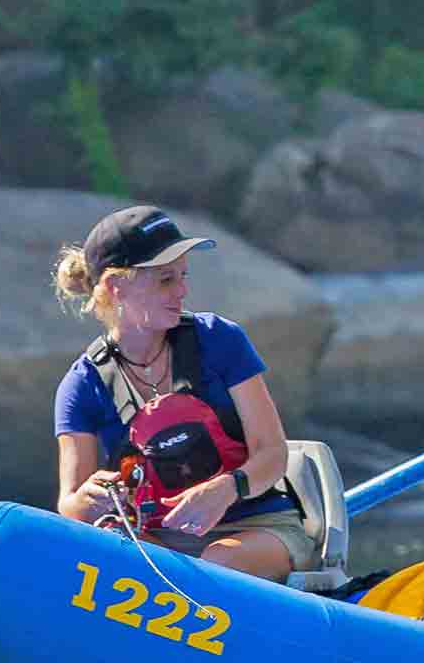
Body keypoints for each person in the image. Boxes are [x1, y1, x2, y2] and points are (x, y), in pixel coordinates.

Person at [51, 205, 315, 581]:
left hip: (258, 528)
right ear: (116, 286)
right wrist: (88, 500)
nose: (183, 291)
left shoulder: (220, 339)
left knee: (217, 566)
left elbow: (272, 453)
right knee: (122, 559)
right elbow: (70, 503)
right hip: (156, 543)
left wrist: (226, 489)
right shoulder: (81, 384)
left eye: (183, 277)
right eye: (166, 280)